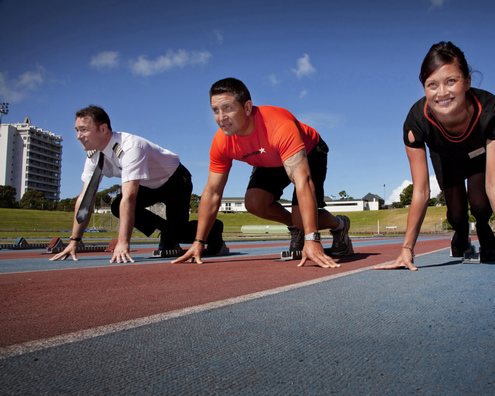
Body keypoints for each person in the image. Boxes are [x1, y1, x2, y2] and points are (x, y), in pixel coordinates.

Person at [374, 42, 495, 273]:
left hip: (478, 155)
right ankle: (461, 232)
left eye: (451, 81)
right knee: (456, 214)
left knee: (479, 202)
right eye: (432, 85)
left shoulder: (493, 112)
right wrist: (407, 248)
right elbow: (422, 191)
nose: (442, 93)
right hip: (445, 156)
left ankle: (484, 227)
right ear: (424, 88)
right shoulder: (416, 122)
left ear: (467, 81)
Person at [173, 78, 352, 268]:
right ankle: (297, 228)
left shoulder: (279, 125)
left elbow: (303, 181)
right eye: (215, 110)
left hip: (309, 151)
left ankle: (339, 225)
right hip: (268, 159)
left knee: (302, 219)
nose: (221, 117)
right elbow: (212, 192)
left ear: (248, 107)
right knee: (254, 203)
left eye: (228, 108)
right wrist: (199, 242)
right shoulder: (221, 143)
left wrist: (312, 239)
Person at [51, 105, 223, 263]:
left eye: (83, 130)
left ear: (103, 129)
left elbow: (130, 198)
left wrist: (123, 243)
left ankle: (214, 227)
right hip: (149, 185)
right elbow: (85, 199)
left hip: (175, 181)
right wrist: (74, 241)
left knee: (177, 232)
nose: (78, 136)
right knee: (117, 205)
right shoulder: (94, 155)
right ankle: (167, 231)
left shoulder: (130, 147)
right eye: (77, 130)